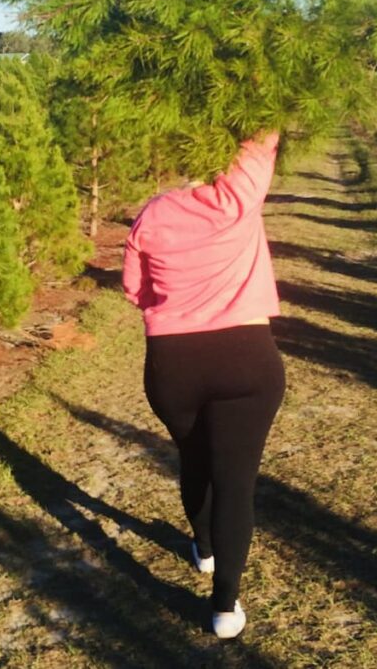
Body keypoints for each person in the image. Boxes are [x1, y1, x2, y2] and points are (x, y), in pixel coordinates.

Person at [122, 131, 286, 639]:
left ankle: (205, 549)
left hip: (174, 366)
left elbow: (135, 289)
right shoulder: (241, 193)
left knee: (194, 459)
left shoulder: (152, 214)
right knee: (236, 482)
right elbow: (265, 123)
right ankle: (224, 606)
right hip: (246, 360)